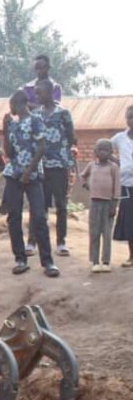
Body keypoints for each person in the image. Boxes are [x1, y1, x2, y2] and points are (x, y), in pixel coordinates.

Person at [2, 90, 58, 277]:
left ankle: (48, 262)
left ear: (18, 103)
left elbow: (42, 147)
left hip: (32, 175)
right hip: (13, 174)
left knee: (39, 217)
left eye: (11, 105)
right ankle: (20, 258)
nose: (10, 109)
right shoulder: (13, 125)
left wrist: (28, 172)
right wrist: (4, 130)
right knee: (14, 217)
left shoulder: (35, 120)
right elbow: (9, 154)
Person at [32, 79, 76, 256]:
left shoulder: (63, 113)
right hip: (41, 166)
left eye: (39, 92)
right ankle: (35, 241)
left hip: (58, 165)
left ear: (50, 93)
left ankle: (61, 242)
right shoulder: (35, 114)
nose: (36, 96)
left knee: (61, 205)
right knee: (40, 206)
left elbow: (71, 136)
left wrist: (61, 153)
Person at [81, 139, 120, 273]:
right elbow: (83, 176)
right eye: (100, 150)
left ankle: (106, 261)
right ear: (95, 152)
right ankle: (95, 261)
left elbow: (116, 187)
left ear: (111, 152)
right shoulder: (92, 165)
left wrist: (114, 205)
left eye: (106, 150)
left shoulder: (113, 167)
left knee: (107, 233)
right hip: (94, 203)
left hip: (108, 204)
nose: (103, 153)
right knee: (94, 232)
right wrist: (85, 184)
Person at [111, 104, 133, 268]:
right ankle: (131, 256)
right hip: (126, 184)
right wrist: (117, 162)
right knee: (129, 221)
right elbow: (102, 147)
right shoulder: (120, 138)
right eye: (129, 117)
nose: (131, 120)